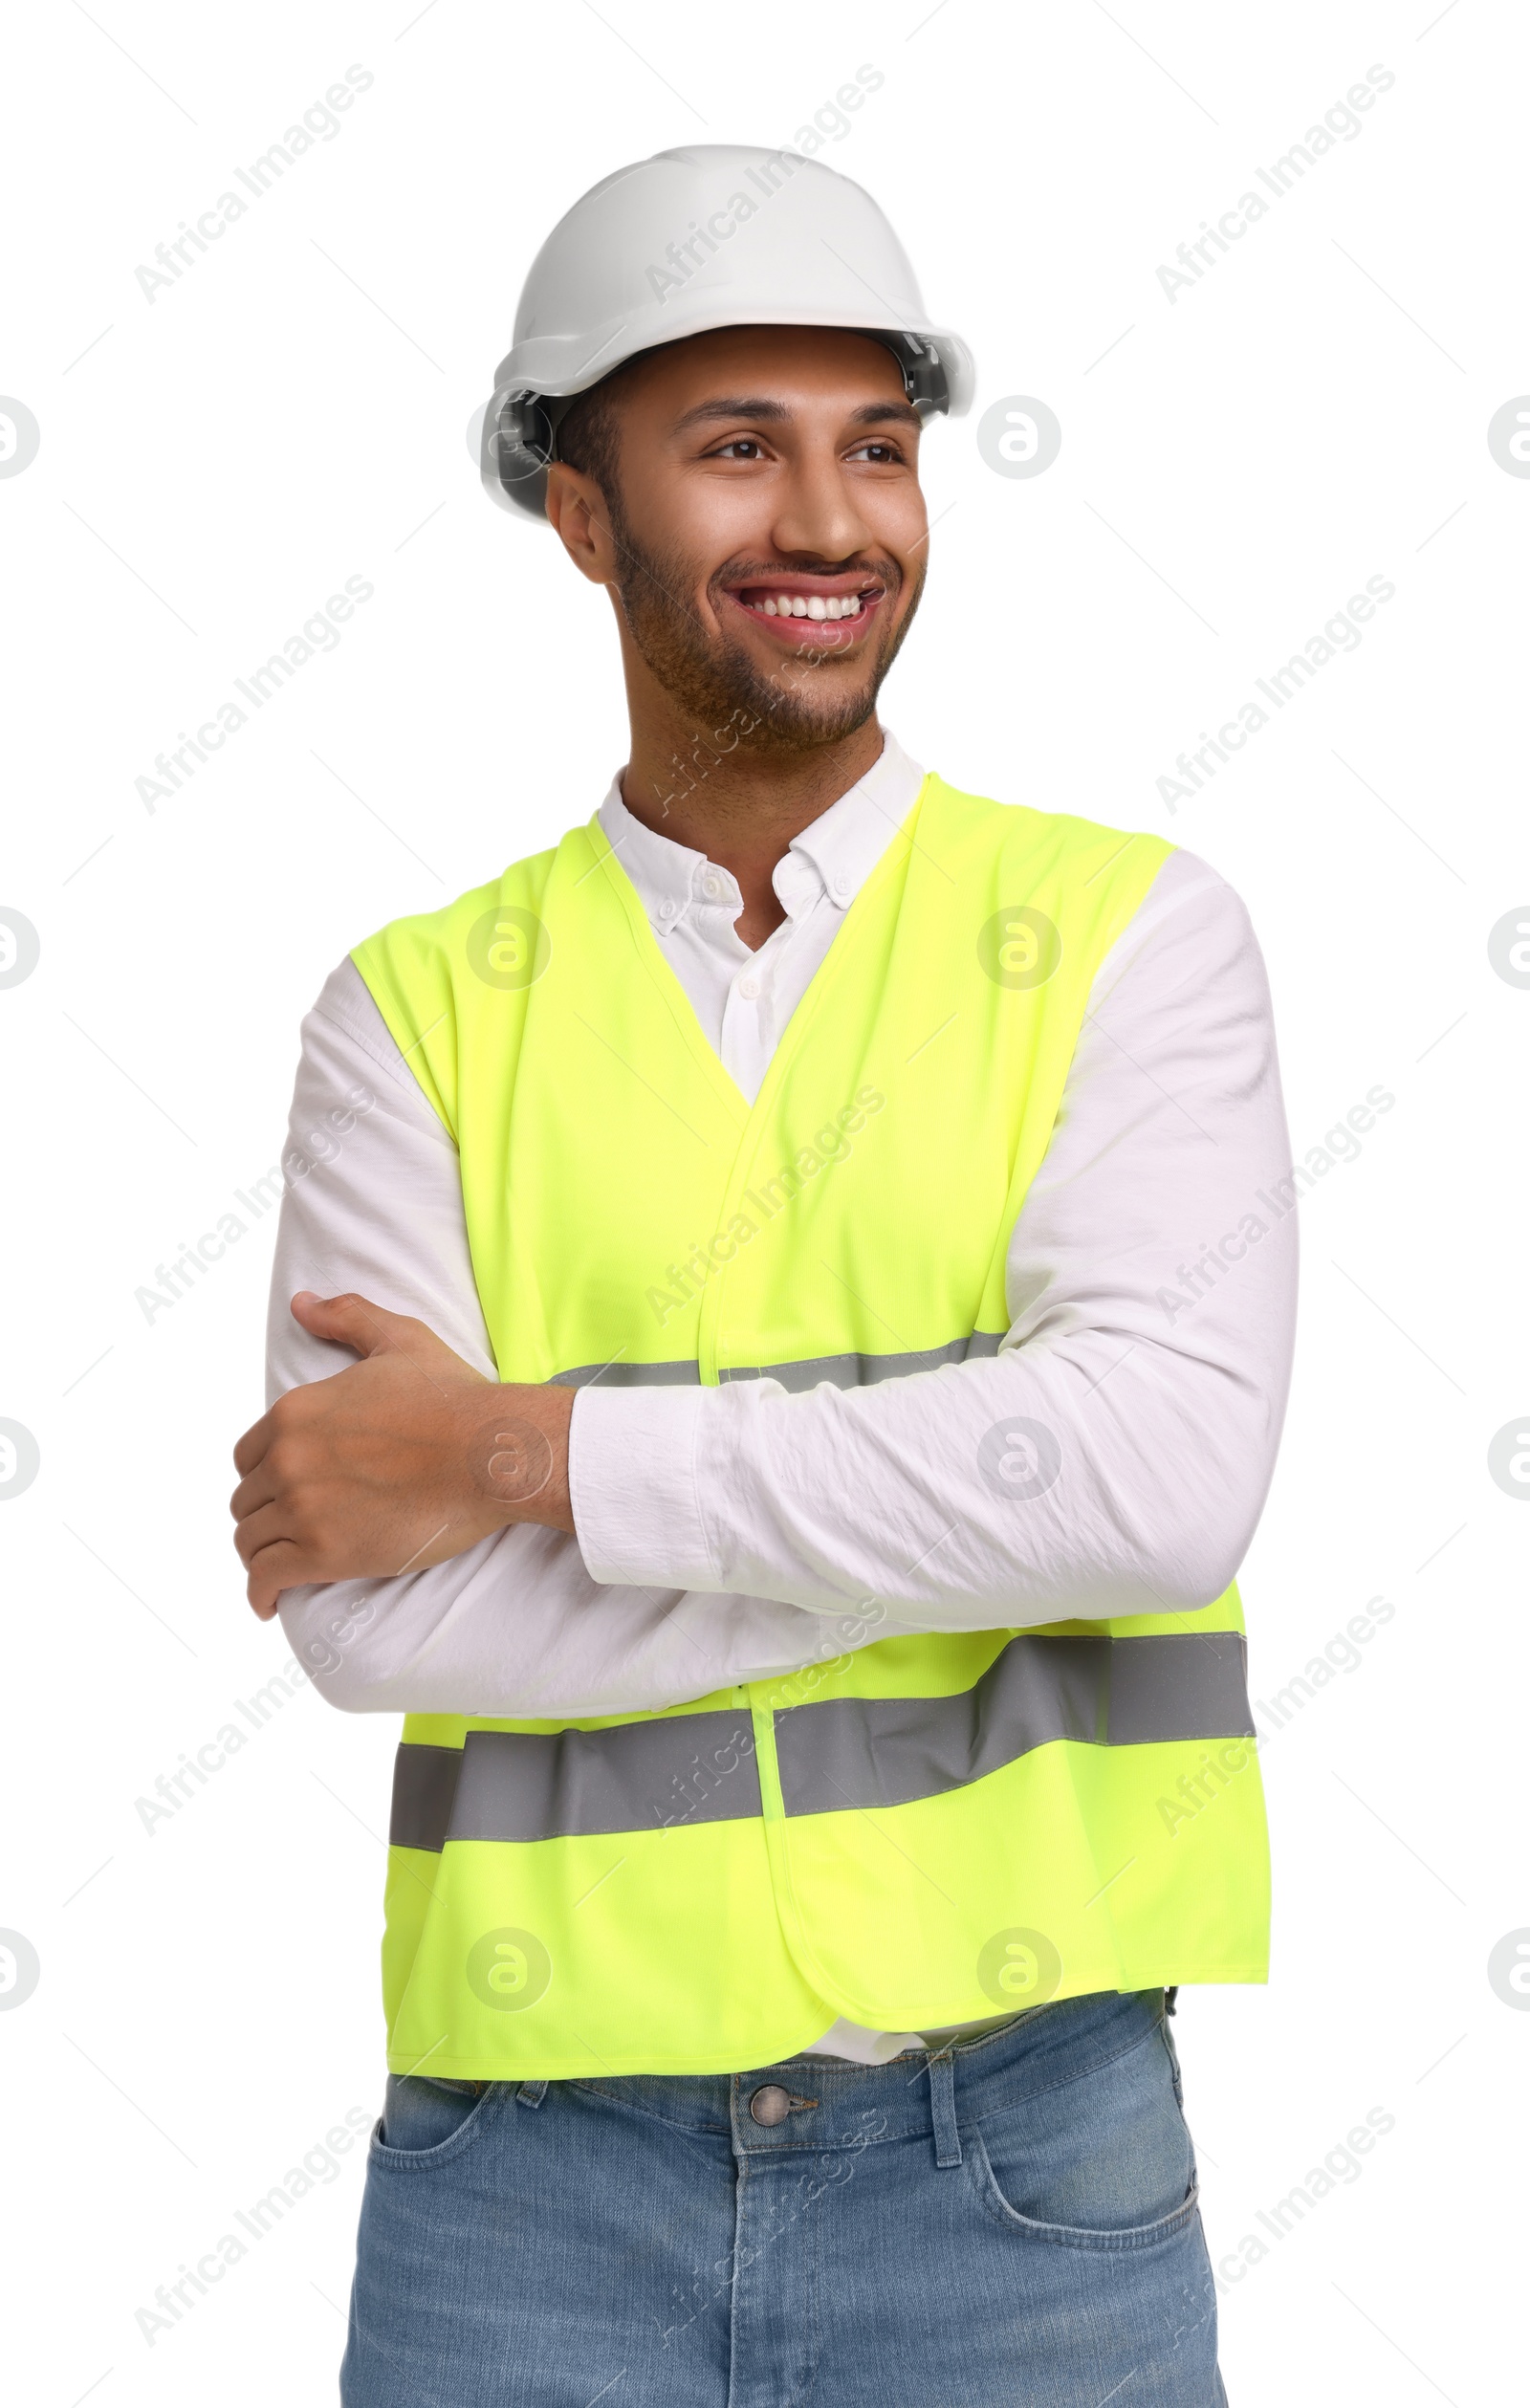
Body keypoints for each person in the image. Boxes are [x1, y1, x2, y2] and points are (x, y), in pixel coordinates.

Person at [230, 143, 1296, 2407]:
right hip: (521, 2180)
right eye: (739, 449)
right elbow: (362, 1611)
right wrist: (980, 1525)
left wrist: (521, 1451)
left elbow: (1163, 1487)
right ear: (581, 510)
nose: (832, 522)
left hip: (1021, 2161)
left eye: (876, 446)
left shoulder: (1126, 937)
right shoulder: (413, 1010)